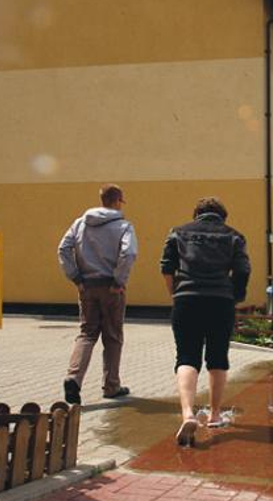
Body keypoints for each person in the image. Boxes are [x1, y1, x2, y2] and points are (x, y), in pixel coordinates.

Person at [160, 197, 250, 446]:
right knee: (217, 358)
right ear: (223, 216)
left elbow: (167, 267)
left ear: (196, 213)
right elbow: (243, 270)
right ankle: (214, 414)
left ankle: (188, 413)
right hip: (221, 301)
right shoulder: (234, 236)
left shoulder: (178, 233)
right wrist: (235, 296)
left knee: (187, 357)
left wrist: (175, 295)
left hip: (186, 300)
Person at [58, 184, 138, 404]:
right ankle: (111, 386)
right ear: (117, 201)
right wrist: (118, 281)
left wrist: (76, 277)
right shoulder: (123, 226)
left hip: (87, 286)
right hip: (111, 287)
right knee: (112, 336)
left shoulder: (79, 223)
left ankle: (73, 378)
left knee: (86, 333)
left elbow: (63, 249)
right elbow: (129, 253)